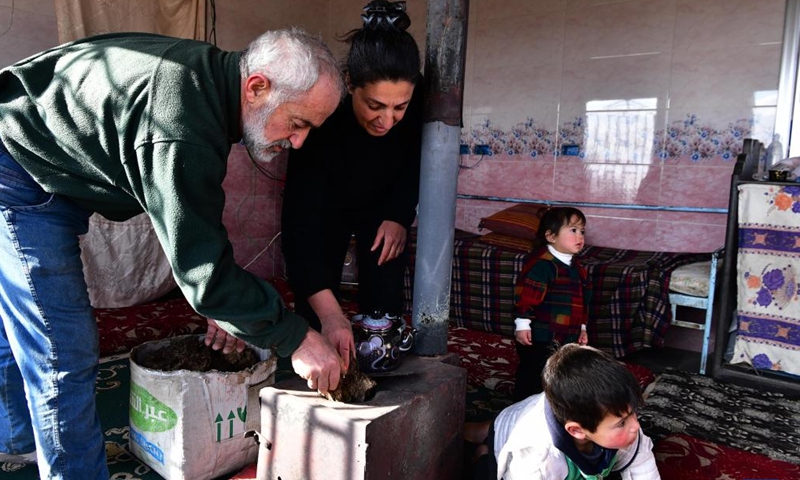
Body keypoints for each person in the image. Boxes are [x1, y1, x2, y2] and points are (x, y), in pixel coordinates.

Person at [0, 28, 346, 479]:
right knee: (60, 346)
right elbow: (204, 270)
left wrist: (223, 304)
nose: (297, 142)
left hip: (32, 146)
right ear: (257, 86)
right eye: (297, 123)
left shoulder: (207, 80)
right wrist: (298, 338)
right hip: (18, 168)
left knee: (20, 315)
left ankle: (18, 439)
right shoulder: (183, 121)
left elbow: (192, 229)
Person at [281, 0, 423, 368]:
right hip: (327, 204)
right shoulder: (323, 114)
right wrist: (330, 315)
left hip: (383, 204)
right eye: (375, 105)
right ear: (349, 85)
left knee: (385, 280)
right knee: (317, 289)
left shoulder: (414, 102)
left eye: (399, 108)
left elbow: (413, 165)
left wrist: (399, 215)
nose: (387, 120)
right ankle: (315, 359)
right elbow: (300, 225)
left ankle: (379, 358)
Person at [470, 344, 661, 480]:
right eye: (621, 423)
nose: (636, 426)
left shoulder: (625, 429)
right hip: (511, 429)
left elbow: (642, 467)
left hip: (539, 412)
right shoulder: (536, 459)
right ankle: (483, 449)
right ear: (577, 430)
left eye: (633, 413)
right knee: (485, 463)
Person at [512, 206, 592, 401]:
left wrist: (582, 328)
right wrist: (522, 324)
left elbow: (583, 302)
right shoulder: (542, 264)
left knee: (561, 374)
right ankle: (522, 408)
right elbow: (526, 297)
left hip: (566, 334)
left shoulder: (578, 268)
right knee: (534, 374)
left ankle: (552, 407)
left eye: (582, 231)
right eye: (573, 230)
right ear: (551, 236)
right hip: (540, 336)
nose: (579, 236)